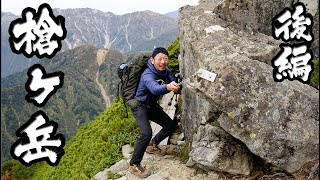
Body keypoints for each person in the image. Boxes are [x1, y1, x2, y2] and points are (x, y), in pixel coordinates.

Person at [128, 47, 180, 178]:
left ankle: (152, 145)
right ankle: (134, 164)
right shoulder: (147, 74)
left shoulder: (166, 71)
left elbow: (172, 81)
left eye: (165, 58)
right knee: (146, 132)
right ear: (152, 60)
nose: (163, 62)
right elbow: (155, 89)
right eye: (159, 59)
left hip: (151, 105)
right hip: (139, 105)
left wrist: (177, 86)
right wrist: (168, 87)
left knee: (170, 125)